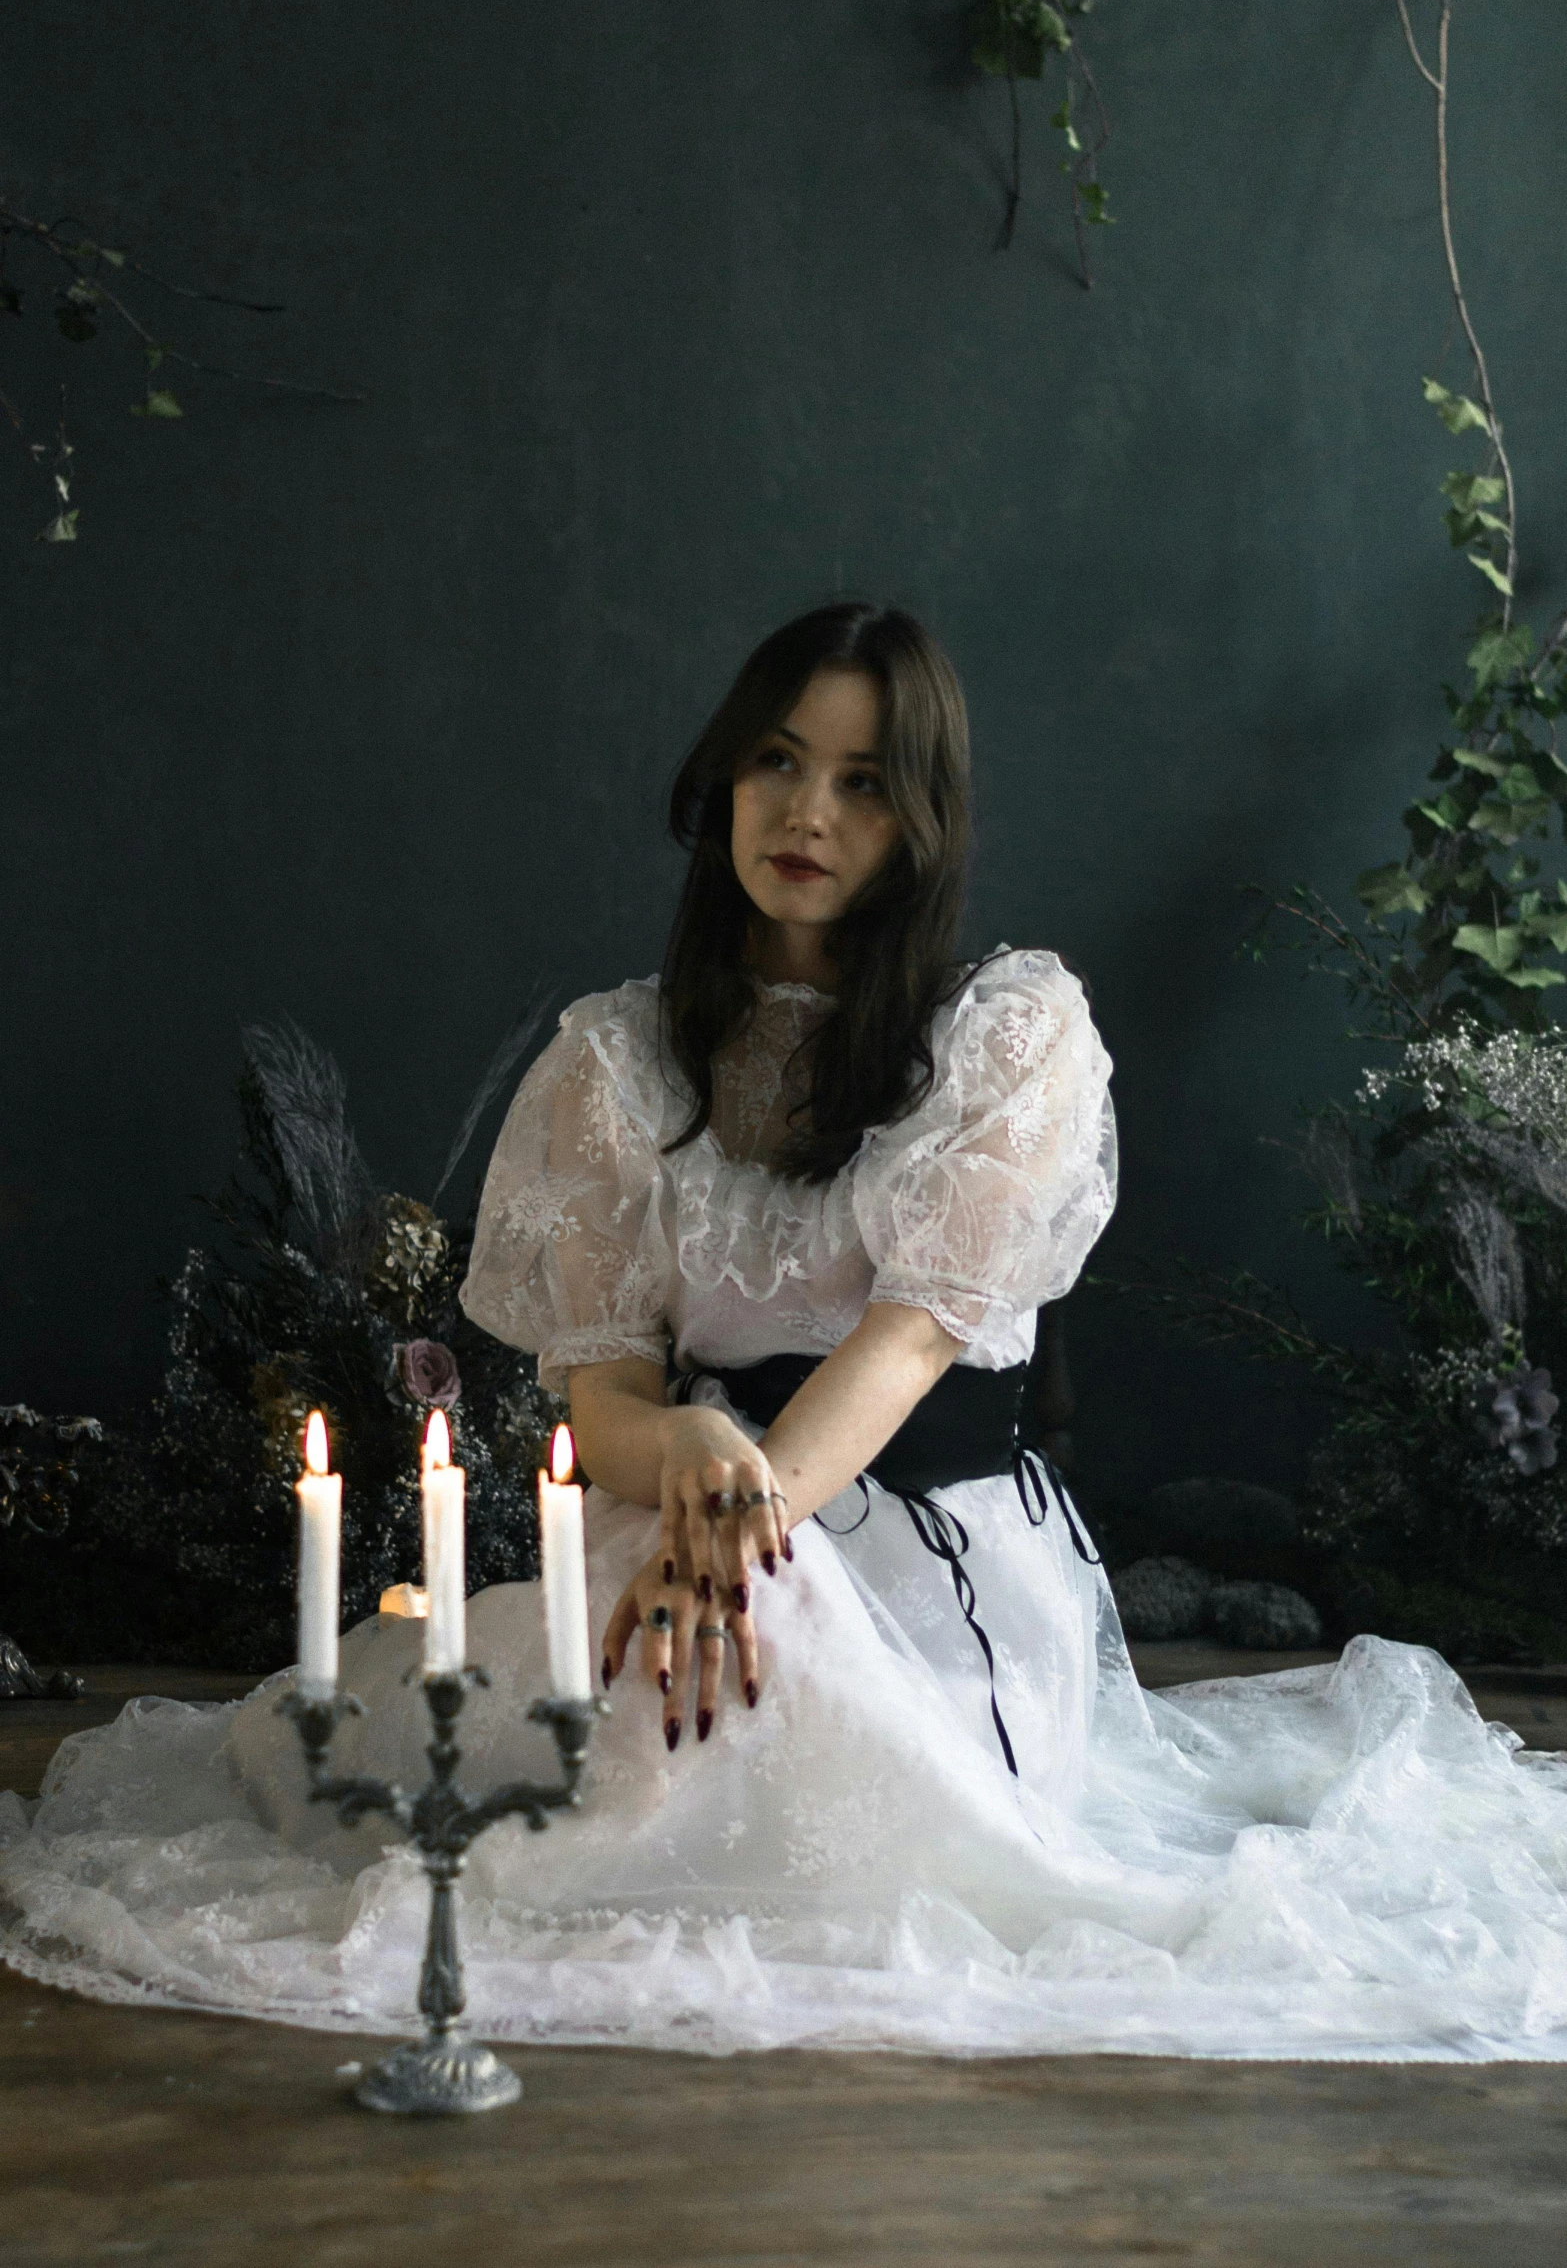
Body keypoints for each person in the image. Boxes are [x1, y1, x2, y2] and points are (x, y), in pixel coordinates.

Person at [5, 603, 1567, 2062]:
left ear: (924, 820)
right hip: (678, 1517)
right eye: (776, 761)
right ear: (724, 780)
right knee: (431, 1773)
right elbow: (603, 1392)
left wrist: (740, 1518)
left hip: (916, 1556)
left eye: (863, 782)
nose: (806, 812)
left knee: (806, 1773)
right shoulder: (613, 1063)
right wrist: (680, 1440)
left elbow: (901, 1346)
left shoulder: (1004, 1035)